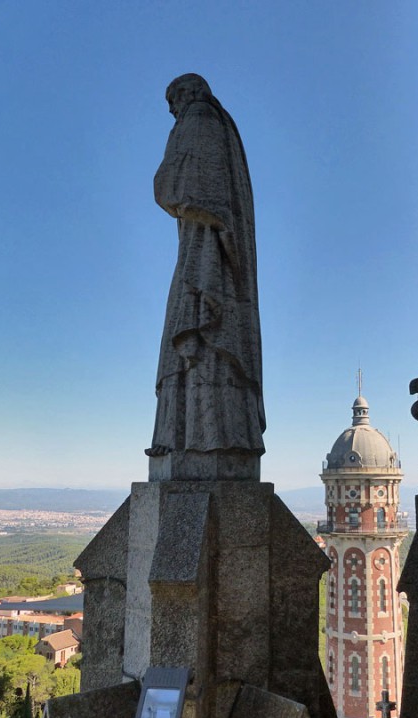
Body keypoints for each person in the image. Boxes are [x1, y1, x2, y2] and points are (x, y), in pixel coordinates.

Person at [146, 74, 265, 475]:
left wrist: (165, 181)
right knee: (197, 333)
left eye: (173, 99)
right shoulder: (223, 127)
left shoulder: (199, 118)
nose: (171, 110)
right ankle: (202, 436)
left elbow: (187, 186)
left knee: (196, 330)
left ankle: (198, 438)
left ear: (189, 93)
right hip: (206, 249)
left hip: (206, 253)